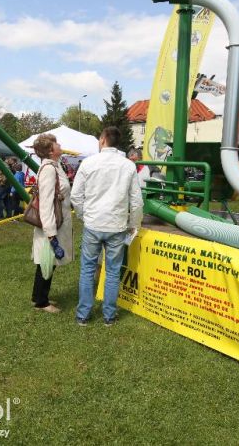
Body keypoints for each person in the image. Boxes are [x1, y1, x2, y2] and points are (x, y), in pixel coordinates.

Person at [71, 126, 143, 326]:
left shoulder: (88, 163)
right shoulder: (128, 165)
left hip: (94, 224)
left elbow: (76, 196)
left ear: (102, 140)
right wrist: (133, 224)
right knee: (112, 271)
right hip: (117, 226)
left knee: (87, 269)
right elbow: (136, 201)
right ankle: (109, 316)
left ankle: (83, 315)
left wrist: (83, 216)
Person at [29, 134, 73, 313]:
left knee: (47, 261)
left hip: (56, 221)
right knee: (47, 260)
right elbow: (46, 202)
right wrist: (51, 232)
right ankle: (41, 302)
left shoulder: (54, 166)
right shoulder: (48, 169)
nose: (59, 144)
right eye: (56, 143)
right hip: (52, 223)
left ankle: (38, 296)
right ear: (50, 150)